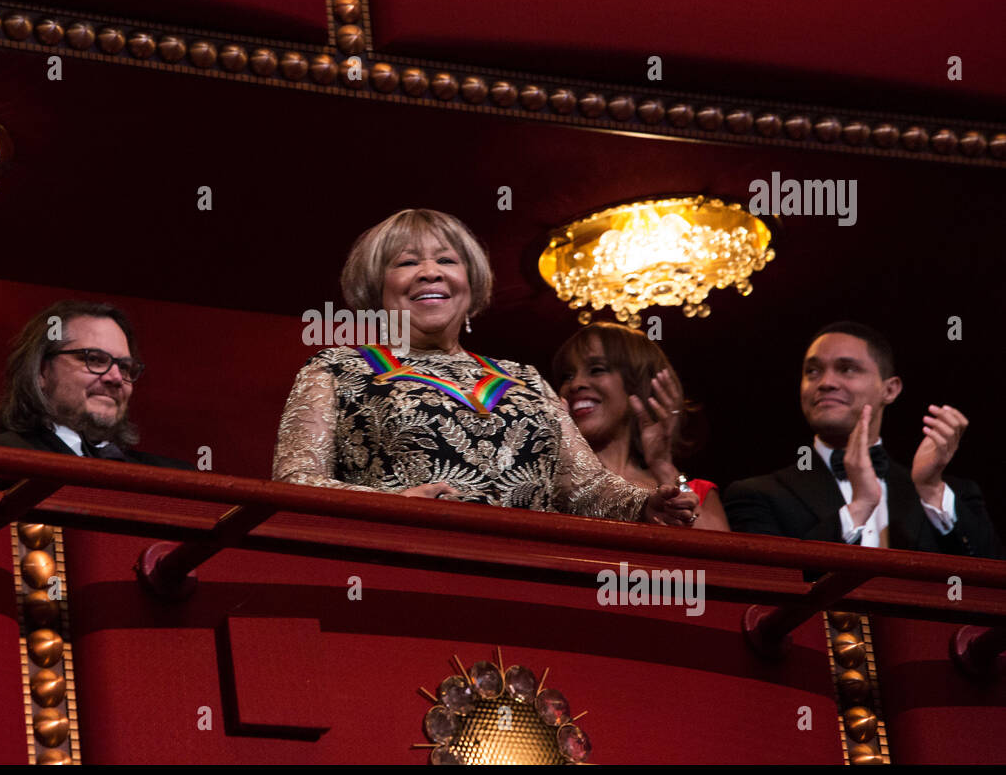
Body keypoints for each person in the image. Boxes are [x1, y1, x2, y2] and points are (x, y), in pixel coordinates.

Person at [272, 208, 698, 525]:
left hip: (530, 571)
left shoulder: (525, 378)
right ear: (374, 287)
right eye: (406, 262)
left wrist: (645, 503)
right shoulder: (337, 369)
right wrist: (392, 504)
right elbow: (295, 481)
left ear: (470, 283)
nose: (429, 273)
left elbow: (585, 489)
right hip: (402, 561)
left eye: (447, 260)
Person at [724, 321, 1000, 557]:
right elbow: (772, 586)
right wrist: (859, 507)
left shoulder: (954, 494)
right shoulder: (756, 496)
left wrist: (930, 490)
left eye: (847, 369)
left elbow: (991, 590)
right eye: (813, 371)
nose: (825, 382)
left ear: (890, 390)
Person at [551, 323, 730, 530]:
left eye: (596, 370)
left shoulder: (699, 492)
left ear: (637, 384)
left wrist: (663, 467)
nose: (575, 385)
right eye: (567, 376)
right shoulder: (546, 482)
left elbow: (717, 555)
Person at [0, 300, 191, 468]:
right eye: (93, 359)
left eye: (124, 367)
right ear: (41, 371)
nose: (115, 378)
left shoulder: (178, 478)